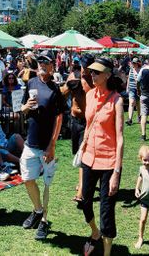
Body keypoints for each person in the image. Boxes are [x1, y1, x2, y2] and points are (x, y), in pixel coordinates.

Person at [74, 60, 125, 256]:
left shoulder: (117, 100)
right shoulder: (89, 95)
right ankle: (95, 232)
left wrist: (116, 173)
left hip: (109, 162)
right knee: (85, 201)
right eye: (91, 72)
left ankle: (107, 252)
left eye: (97, 72)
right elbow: (89, 124)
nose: (92, 75)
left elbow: (120, 139)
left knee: (106, 209)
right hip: (89, 158)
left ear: (107, 75)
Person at [17, 72, 69, 240]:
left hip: (46, 146)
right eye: (39, 61)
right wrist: (25, 107)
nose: (42, 65)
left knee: (46, 184)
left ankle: (44, 221)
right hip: (30, 143)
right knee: (27, 179)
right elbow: (23, 108)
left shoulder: (55, 89)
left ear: (51, 66)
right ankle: (38, 210)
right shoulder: (31, 82)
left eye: (46, 62)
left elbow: (59, 118)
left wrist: (51, 146)